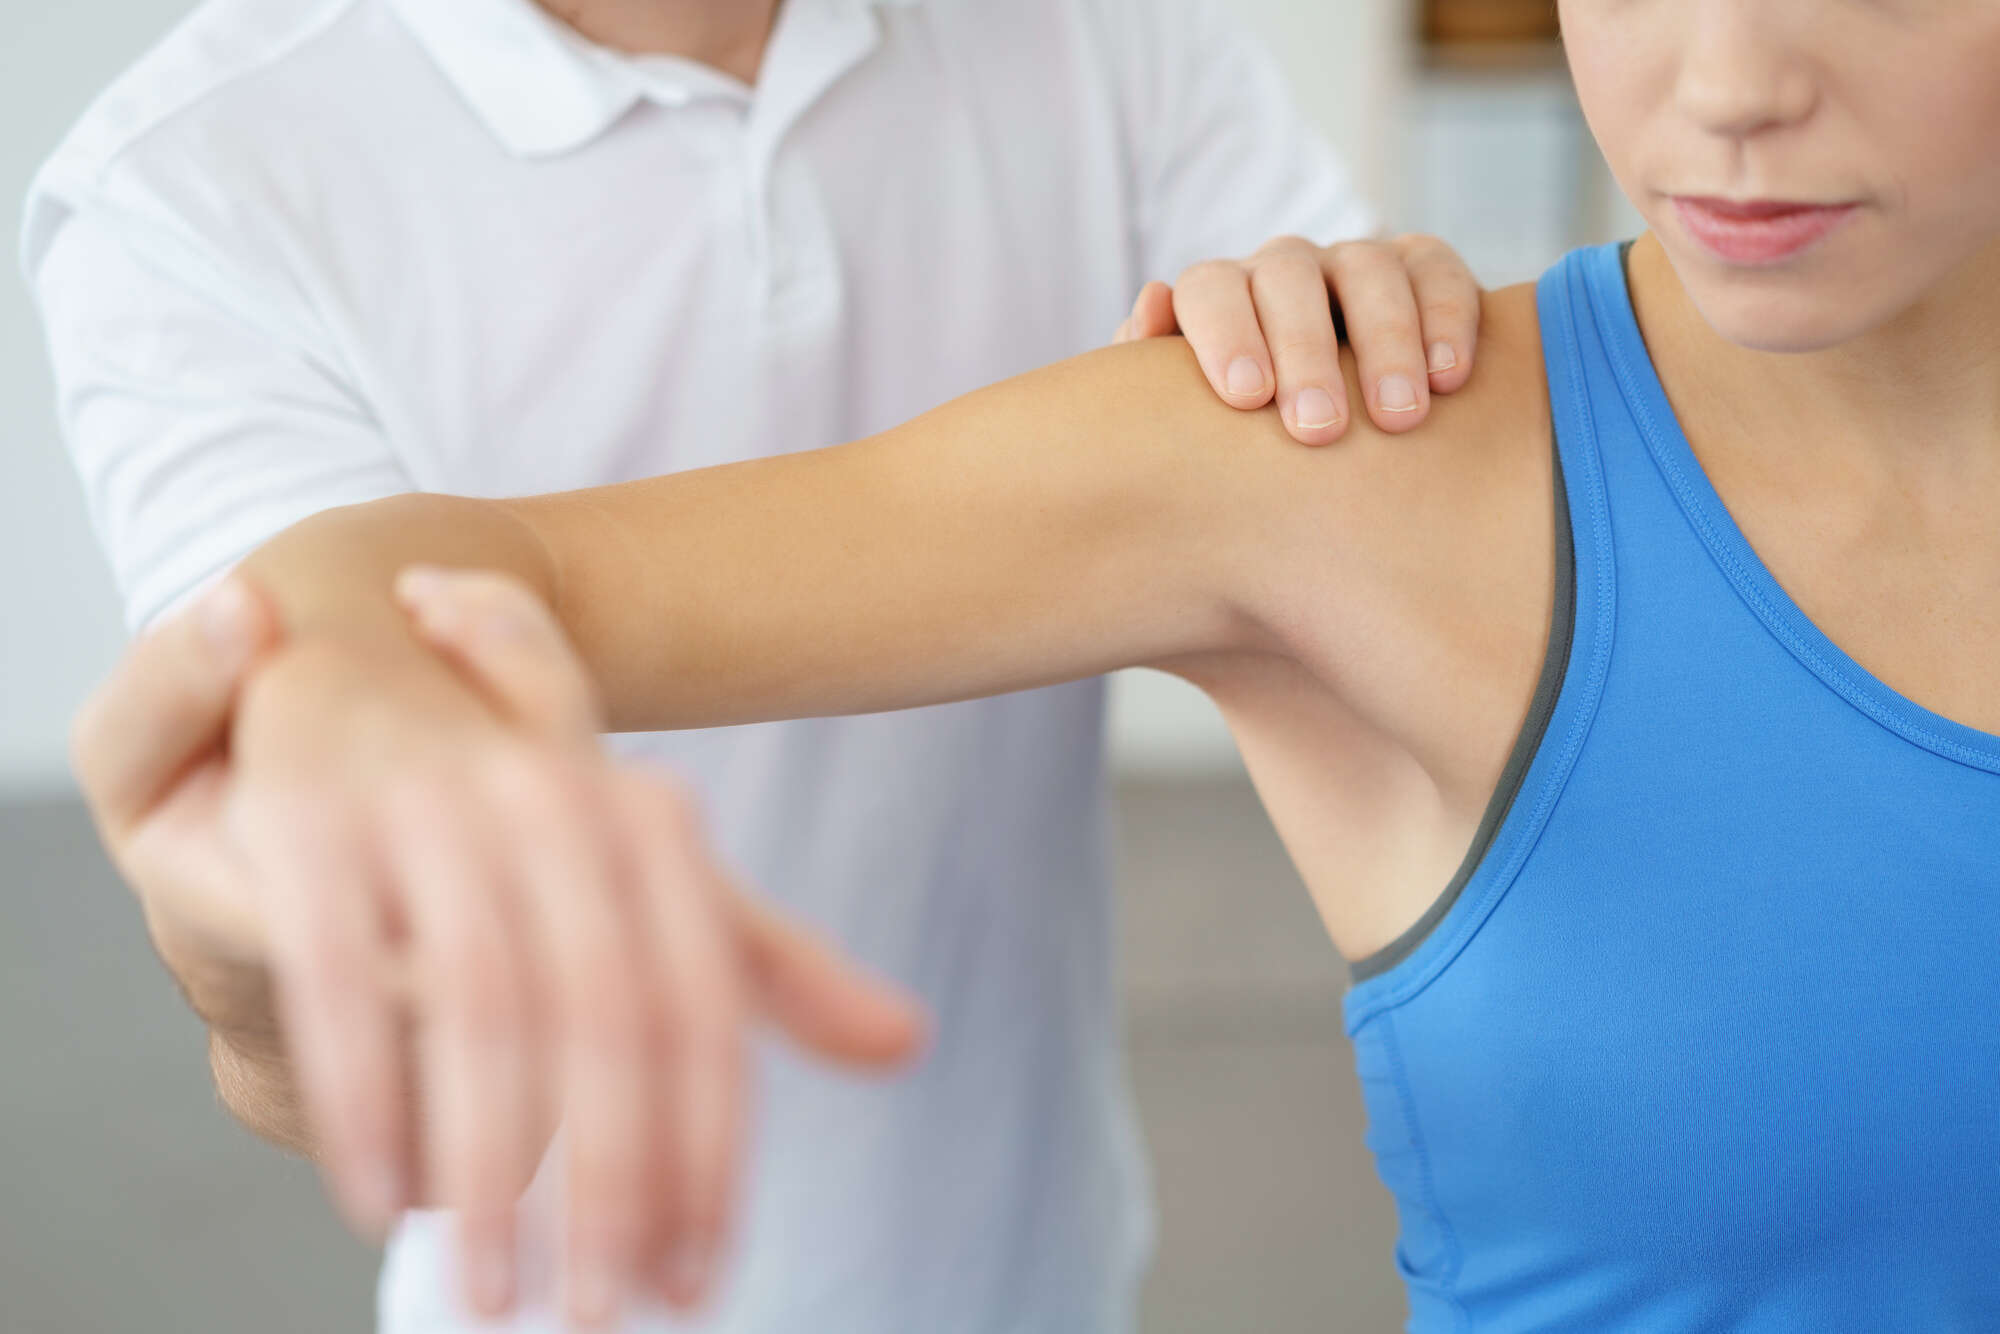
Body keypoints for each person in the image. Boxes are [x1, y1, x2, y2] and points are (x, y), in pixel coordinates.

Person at [75, 0, 2000, 1327]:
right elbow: (366, 701)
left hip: (1041, 1262)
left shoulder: (1097, 47)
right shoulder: (195, 185)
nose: (1731, 85)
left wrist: (1358, 299)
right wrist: (340, 700)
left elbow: (1382, 327)